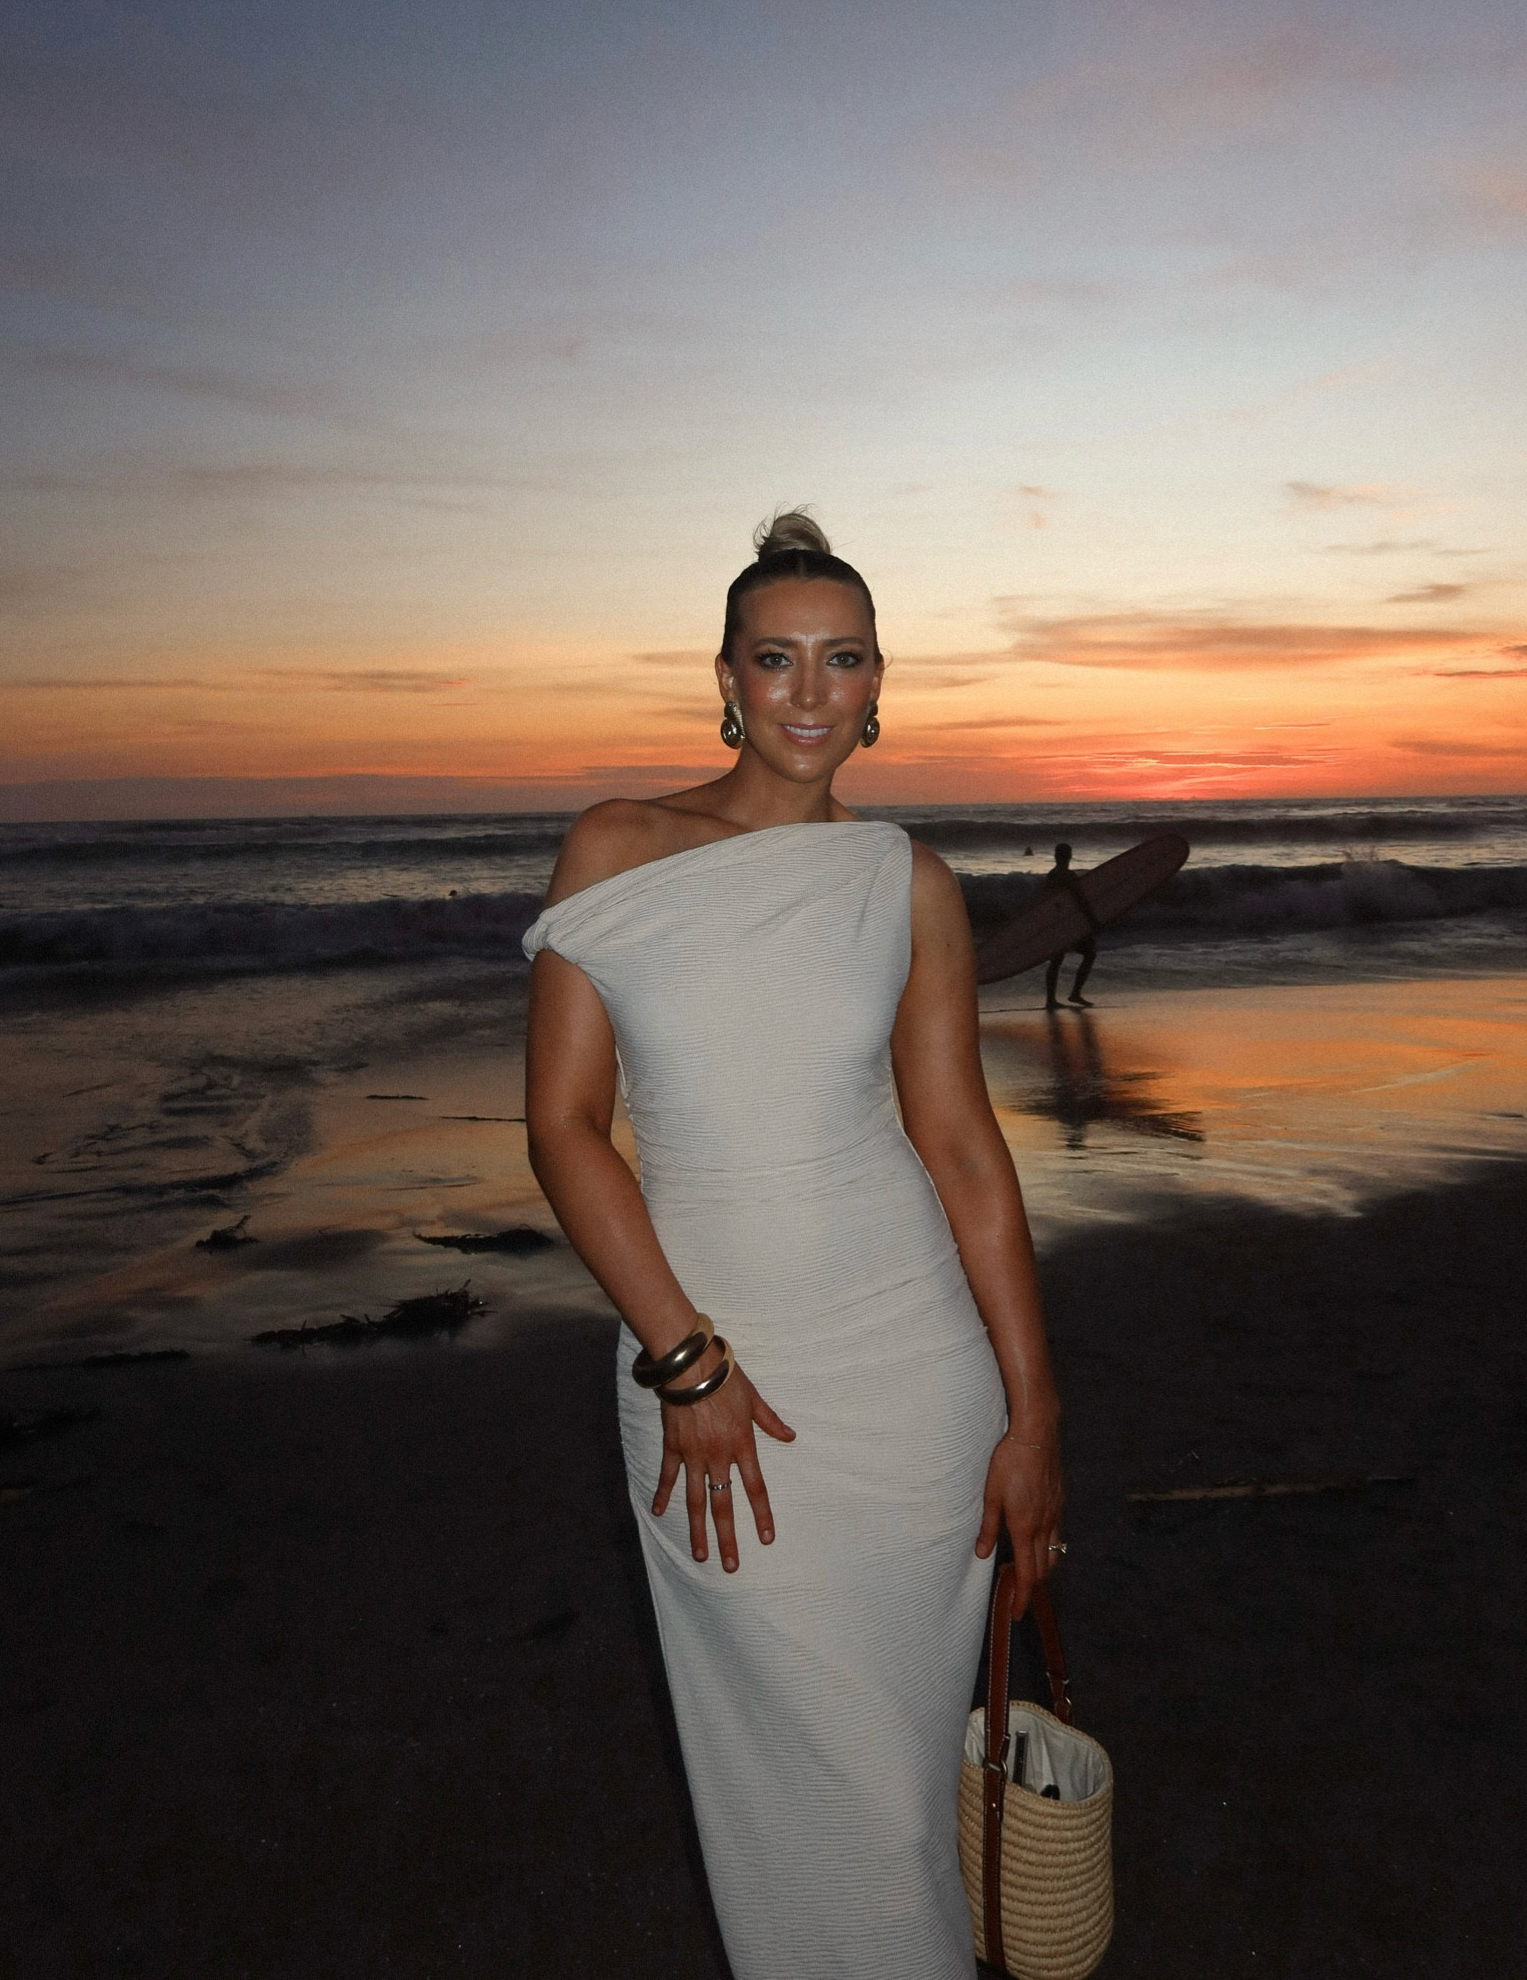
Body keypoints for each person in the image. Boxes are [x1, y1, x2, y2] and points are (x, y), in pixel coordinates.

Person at [522, 511, 1064, 1980]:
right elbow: (566, 1130)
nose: (809, 693)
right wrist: (683, 1363)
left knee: (893, 1797)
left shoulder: (910, 884)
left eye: (842, 659)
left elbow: (958, 1148)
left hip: (916, 1386)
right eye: (777, 660)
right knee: (814, 1792)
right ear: (725, 676)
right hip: (709, 1384)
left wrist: (1033, 1412)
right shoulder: (619, 848)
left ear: (880, 682)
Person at [1043, 842, 1100, 1009]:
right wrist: (1092, 920)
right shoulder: (1069, 876)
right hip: (1071, 925)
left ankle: (1050, 999)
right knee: (1089, 954)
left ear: (1055, 856)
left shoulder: (1051, 876)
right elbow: (1080, 900)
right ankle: (1075, 993)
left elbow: (1045, 903)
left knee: (1056, 961)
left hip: (1056, 923)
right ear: (1070, 856)